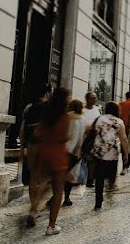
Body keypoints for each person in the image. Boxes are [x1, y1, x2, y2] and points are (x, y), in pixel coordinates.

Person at [28, 87, 71, 235]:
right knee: (58, 191)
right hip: (58, 153)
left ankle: (33, 209)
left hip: (44, 151)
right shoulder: (64, 115)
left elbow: (37, 132)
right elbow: (65, 136)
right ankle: (51, 226)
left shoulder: (47, 113)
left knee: (44, 182)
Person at [88, 101, 129, 211]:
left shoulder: (99, 119)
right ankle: (110, 188)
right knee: (111, 175)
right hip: (112, 154)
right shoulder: (119, 122)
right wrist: (126, 153)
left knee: (99, 179)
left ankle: (98, 202)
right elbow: (124, 139)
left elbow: (90, 131)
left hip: (99, 153)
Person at [19, 84, 52, 189]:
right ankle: (37, 201)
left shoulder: (29, 107)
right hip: (46, 145)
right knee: (44, 176)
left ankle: (33, 201)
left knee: (33, 176)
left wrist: (22, 147)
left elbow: (22, 130)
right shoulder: (50, 108)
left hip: (32, 144)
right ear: (47, 93)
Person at [62, 99, 85, 206]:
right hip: (77, 152)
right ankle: (67, 197)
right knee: (70, 175)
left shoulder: (68, 117)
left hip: (65, 150)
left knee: (60, 174)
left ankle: (55, 196)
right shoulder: (82, 120)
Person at [82, 92, 101, 188]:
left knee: (91, 160)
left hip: (93, 137)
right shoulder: (83, 110)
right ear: (87, 99)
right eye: (92, 98)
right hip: (83, 137)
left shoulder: (97, 110)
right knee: (81, 159)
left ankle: (90, 179)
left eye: (95, 98)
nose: (94, 100)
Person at [118, 92, 130, 176]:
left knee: (123, 147)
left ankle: (124, 166)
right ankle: (127, 165)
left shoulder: (120, 104)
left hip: (122, 127)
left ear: (126, 97)